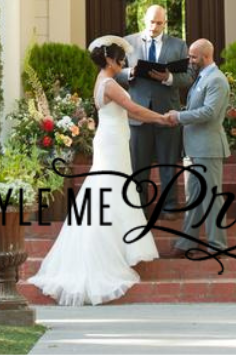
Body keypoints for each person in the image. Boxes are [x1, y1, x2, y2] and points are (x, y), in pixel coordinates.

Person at [28, 35, 175, 306]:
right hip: (112, 142)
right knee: (111, 190)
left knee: (107, 192)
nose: (124, 62)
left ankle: (116, 247)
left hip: (112, 139)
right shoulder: (109, 84)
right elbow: (133, 110)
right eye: (120, 58)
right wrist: (162, 118)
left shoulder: (102, 82)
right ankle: (105, 257)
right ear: (109, 59)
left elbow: (127, 112)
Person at [116, 5, 193, 220]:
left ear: (165, 23)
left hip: (167, 113)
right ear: (144, 19)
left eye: (159, 23)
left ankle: (169, 207)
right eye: (151, 22)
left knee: (168, 164)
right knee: (139, 165)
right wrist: (129, 73)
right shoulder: (128, 43)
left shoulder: (178, 45)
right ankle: (140, 208)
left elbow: (188, 77)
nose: (154, 26)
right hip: (137, 113)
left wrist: (168, 78)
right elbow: (114, 72)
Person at [162, 38, 230, 258]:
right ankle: (186, 243)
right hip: (194, 148)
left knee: (211, 197)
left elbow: (209, 112)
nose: (189, 60)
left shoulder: (217, 80)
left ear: (206, 56)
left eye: (193, 56)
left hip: (207, 148)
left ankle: (217, 245)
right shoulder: (202, 77)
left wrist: (179, 115)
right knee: (193, 198)